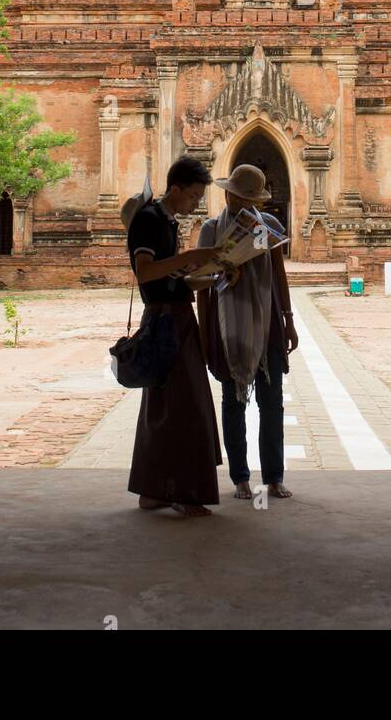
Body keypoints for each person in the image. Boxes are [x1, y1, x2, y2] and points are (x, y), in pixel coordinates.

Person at [125, 155, 225, 518]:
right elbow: (146, 272)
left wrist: (214, 277)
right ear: (176, 189)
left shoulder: (168, 222)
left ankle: (152, 491)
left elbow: (172, 280)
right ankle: (184, 492)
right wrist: (194, 254)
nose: (197, 204)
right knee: (187, 408)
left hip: (177, 317)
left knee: (165, 409)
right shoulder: (149, 219)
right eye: (195, 197)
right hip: (164, 322)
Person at [196, 164, 299, 502]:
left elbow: (278, 275)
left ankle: (273, 477)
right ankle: (240, 477)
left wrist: (288, 318)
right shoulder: (212, 230)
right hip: (229, 323)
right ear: (226, 194)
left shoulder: (266, 226)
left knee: (273, 403)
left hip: (266, 319)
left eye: (247, 198)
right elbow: (202, 283)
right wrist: (203, 326)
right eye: (236, 196)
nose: (240, 202)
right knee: (232, 400)